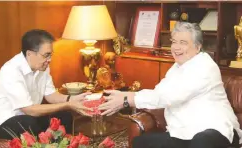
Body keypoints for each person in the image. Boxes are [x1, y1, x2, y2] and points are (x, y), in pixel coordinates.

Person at [99, 22, 242, 148]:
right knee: (141, 142)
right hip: (186, 131)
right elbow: (158, 93)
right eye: (174, 41)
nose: (176, 47)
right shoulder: (176, 67)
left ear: (197, 47)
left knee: (201, 141)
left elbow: (171, 97)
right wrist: (124, 95)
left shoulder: (205, 67)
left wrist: (127, 100)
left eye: (183, 42)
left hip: (216, 129)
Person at [0, 29, 92, 139]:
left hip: (27, 117)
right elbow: (29, 110)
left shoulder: (42, 67)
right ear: (29, 54)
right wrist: (67, 104)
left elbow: (51, 95)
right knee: (29, 123)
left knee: (64, 116)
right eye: (46, 55)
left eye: (51, 55)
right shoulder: (12, 70)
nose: (49, 60)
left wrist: (71, 99)